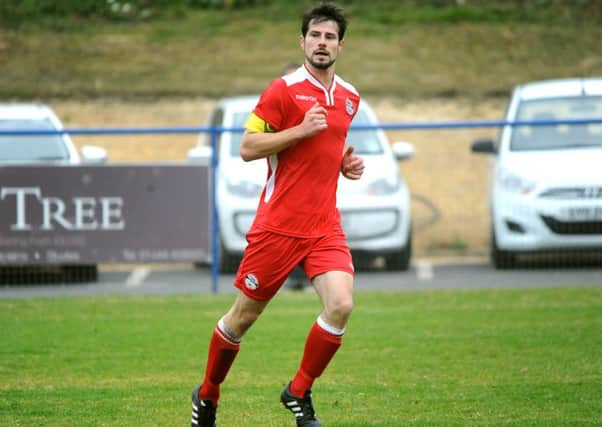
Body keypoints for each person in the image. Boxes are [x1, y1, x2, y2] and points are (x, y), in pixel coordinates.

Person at [191, 3, 364, 426]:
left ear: (341, 44)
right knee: (241, 319)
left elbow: (328, 143)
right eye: (314, 36)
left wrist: (343, 161)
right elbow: (248, 148)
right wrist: (299, 131)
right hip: (278, 227)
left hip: (324, 226)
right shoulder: (282, 90)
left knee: (340, 305)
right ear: (302, 41)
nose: (321, 43)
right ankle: (208, 393)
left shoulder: (350, 96)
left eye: (329, 37)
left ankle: (298, 390)